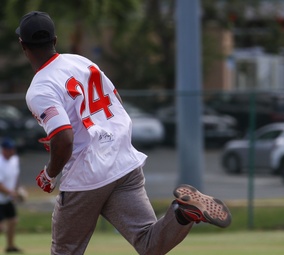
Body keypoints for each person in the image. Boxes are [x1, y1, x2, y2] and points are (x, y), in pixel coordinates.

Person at [16, 11, 231, 255]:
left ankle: (183, 213)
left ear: (23, 45)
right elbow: (114, 100)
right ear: (54, 41)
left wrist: (49, 174)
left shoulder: (40, 88)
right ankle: (183, 214)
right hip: (123, 162)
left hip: (88, 174)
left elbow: (63, 138)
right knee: (149, 242)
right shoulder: (82, 62)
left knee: (65, 251)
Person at [0, 138, 22, 253]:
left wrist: (18, 190)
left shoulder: (15, 160)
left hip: (7, 198)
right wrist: (11, 192)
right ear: (3, 150)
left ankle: (10, 246)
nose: (11, 151)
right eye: (9, 149)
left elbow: (15, 176)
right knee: (1, 227)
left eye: (12, 149)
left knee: (13, 221)